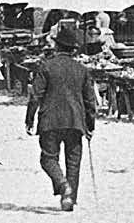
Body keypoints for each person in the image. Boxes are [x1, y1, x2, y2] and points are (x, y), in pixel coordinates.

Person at [25, 21, 98, 212]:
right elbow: (90, 101)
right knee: (73, 161)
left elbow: (35, 96)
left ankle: (62, 184)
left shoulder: (46, 67)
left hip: (50, 120)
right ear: (73, 50)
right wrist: (90, 125)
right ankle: (69, 199)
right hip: (75, 121)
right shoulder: (82, 70)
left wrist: (29, 119)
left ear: (56, 46)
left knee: (48, 159)